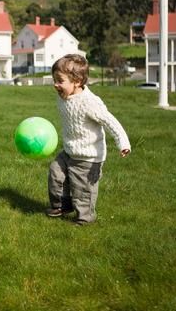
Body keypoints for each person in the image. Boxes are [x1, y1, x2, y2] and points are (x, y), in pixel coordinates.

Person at [46, 54, 131, 225]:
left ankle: (85, 218)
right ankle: (62, 206)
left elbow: (110, 121)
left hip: (88, 157)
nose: (55, 84)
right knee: (56, 174)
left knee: (82, 191)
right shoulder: (63, 96)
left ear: (76, 81)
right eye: (54, 79)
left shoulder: (90, 103)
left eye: (60, 80)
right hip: (69, 151)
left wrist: (123, 143)